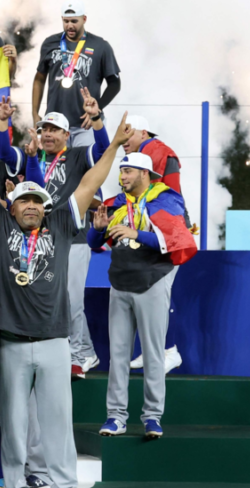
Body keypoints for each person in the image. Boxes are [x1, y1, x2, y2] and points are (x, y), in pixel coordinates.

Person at [0, 103, 133, 488]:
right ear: (12, 206)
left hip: (55, 342)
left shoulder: (60, 223)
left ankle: (64, 483)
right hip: (9, 343)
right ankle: (13, 482)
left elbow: (89, 183)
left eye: (37, 201)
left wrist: (113, 146)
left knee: (58, 422)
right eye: (24, 201)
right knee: (13, 425)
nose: (31, 206)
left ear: (45, 207)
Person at [0, 93, 111, 378]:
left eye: (54, 130)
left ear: (66, 135)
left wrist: (96, 119)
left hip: (73, 235)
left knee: (72, 300)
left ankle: (78, 355)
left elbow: (104, 149)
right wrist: (3, 123)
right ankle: (81, 352)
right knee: (52, 297)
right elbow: (5, 153)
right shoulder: (32, 155)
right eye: (44, 129)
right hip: (39, 238)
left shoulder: (77, 156)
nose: (47, 134)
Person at [90, 153, 196, 439]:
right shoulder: (117, 204)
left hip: (152, 281)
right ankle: (116, 417)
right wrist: (97, 231)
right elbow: (94, 242)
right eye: (121, 171)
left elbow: (176, 238)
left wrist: (137, 234)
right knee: (118, 355)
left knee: (153, 354)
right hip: (120, 282)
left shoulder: (165, 199)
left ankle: (152, 417)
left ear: (145, 174)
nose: (122, 176)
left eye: (128, 171)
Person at [122, 115, 185, 372]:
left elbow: (170, 197)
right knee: (148, 292)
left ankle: (169, 351)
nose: (123, 139)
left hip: (166, 232)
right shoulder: (143, 156)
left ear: (144, 133)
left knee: (159, 292)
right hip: (156, 231)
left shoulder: (158, 152)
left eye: (129, 132)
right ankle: (153, 350)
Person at [32, 0, 121, 147]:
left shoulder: (101, 46)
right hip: (55, 125)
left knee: (88, 162)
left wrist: (97, 109)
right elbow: (39, 79)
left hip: (86, 125)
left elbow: (115, 84)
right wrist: (35, 113)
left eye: (74, 21)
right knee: (56, 162)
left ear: (84, 19)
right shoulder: (50, 43)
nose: (70, 26)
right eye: (66, 21)